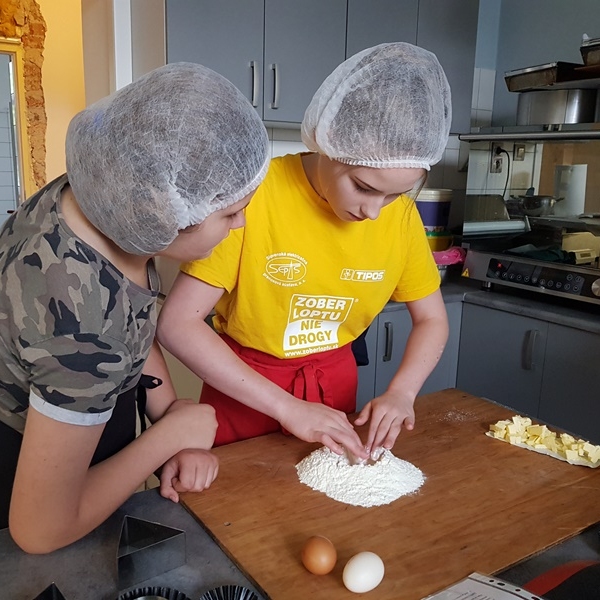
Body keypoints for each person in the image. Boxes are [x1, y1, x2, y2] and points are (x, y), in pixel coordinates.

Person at [0, 62, 270, 553]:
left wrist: (169, 411)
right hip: (37, 478)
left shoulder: (95, 197)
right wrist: (168, 438)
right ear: (161, 210)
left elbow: (130, 315)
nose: (241, 225)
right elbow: (39, 530)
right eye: (231, 211)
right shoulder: (81, 326)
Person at [157, 42, 451, 463]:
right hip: (246, 391)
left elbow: (432, 319)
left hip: (334, 391)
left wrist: (402, 392)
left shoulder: (400, 217)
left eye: (394, 195)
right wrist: (286, 407)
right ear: (327, 144)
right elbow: (178, 324)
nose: (373, 212)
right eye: (364, 187)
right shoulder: (255, 197)